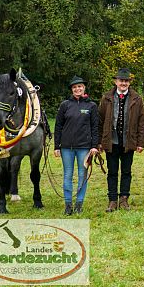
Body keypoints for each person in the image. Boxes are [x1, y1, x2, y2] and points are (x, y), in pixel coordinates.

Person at [98, 68, 144, 212]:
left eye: (126, 81)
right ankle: (112, 200)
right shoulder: (106, 98)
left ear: (129, 82)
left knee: (126, 172)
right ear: (116, 82)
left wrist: (141, 143)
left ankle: (124, 199)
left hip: (128, 142)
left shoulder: (137, 99)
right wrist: (100, 141)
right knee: (112, 172)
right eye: (121, 81)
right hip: (111, 142)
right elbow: (100, 121)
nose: (123, 83)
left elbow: (142, 123)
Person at [54, 76, 99, 215]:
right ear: (72, 90)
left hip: (84, 147)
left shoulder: (91, 105)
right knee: (67, 175)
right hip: (67, 147)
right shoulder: (65, 105)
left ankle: (79, 203)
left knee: (82, 175)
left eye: (80, 86)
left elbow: (95, 127)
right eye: (74, 87)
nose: (77, 89)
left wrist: (94, 146)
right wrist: (57, 146)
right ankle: (68, 205)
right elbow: (58, 126)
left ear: (84, 88)